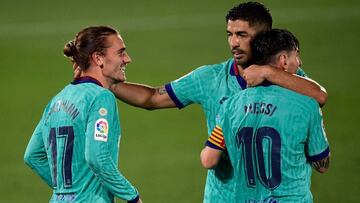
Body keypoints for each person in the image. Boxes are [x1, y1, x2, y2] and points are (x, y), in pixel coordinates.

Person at [73, 2, 328, 202]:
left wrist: (269, 73)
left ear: (264, 37)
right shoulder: (210, 78)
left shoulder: (289, 79)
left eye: (242, 35)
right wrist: (106, 81)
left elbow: (319, 94)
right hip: (223, 198)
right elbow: (152, 97)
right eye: (229, 34)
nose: (233, 43)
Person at [200, 29, 330, 202]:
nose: (300, 62)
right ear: (283, 60)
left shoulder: (230, 106)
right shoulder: (307, 105)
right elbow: (322, 165)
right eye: (296, 56)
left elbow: (209, 159)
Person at [24, 26, 142, 203]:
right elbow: (97, 156)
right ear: (98, 58)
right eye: (121, 53)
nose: (127, 59)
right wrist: (132, 196)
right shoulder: (101, 97)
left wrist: (68, 192)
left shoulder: (57, 99)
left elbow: (32, 155)